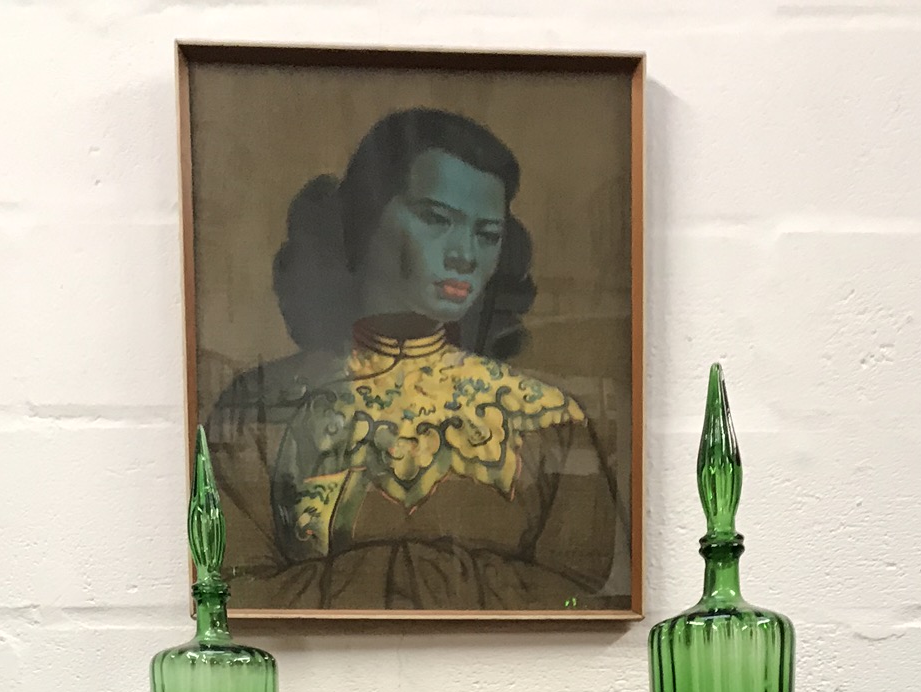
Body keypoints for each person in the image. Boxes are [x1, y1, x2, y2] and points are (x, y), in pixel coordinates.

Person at [205, 107, 626, 611]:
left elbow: (581, 600)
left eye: (487, 235)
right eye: (436, 220)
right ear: (367, 215)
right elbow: (233, 596)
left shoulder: (552, 418)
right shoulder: (255, 410)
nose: (464, 255)